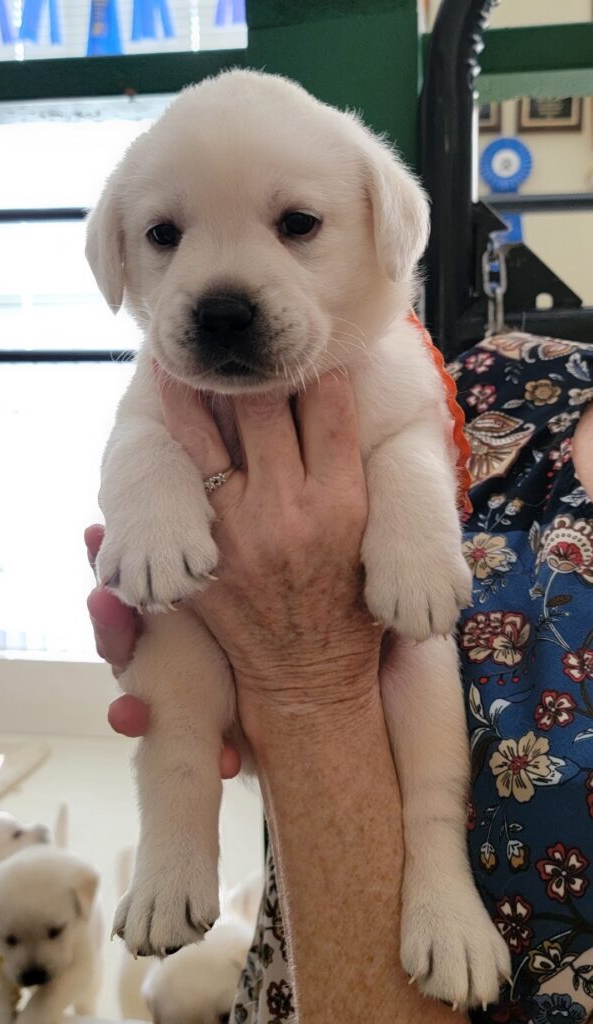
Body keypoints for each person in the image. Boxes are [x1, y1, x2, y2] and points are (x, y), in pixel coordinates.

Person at [87, 330, 593, 1024]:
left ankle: (435, 868)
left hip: (401, 698)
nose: (221, 286)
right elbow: (140, 432)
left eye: (295, 222)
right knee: (168, 649)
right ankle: (175, 835)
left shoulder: (386, 360)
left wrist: (297, 668)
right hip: (293, 944)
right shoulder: (503, 376)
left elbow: (405, 439)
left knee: (423, 643)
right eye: (163, 236)